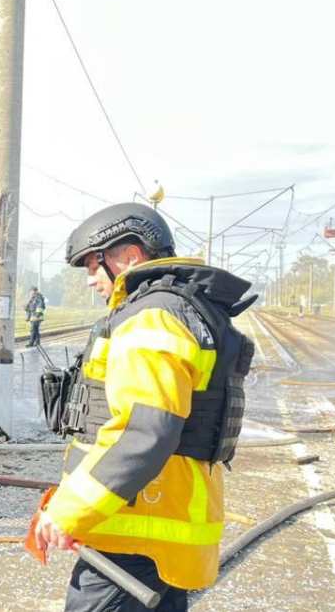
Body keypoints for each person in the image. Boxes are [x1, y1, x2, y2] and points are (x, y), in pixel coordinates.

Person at [29, 203, 254, 611]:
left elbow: (145, 433)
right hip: (159, 527)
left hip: (135, 535)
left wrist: (70, 512)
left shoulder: (151, 319)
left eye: (93, 267)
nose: (90, 281)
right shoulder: (179, 309)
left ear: (128, 256)